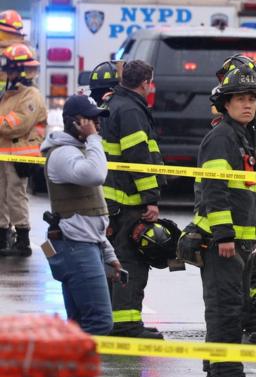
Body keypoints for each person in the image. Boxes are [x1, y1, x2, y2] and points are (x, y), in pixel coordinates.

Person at [193, 67, 256, 377]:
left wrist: (254, 236)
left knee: (232, 306)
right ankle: (226, 375)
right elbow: (215, 190)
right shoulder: (222, 138)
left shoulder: (242, 136)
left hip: (241, 242)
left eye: (251, 99)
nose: (247, 105)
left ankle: (218, 372)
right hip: (224, 243)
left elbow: (249, 192)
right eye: (240, 99)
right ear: (225, 103)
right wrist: (224, 235)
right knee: (227, 308)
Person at [39, 95, 121, 335]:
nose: (97, 125)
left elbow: (91, 213)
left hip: (85, 244)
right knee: (99, 322)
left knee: (78, 324)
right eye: (93, 120)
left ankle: (69, 371)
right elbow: (96, 175)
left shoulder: (79, 150)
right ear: (76, 122)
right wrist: (94, 139)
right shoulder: (63, 154)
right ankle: (82, 371)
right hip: (76, 247)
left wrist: (108, 253)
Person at [101, 60, 165, 338]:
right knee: (132, 261)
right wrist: (150, 198)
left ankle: (112, 321)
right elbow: (138, 158)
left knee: (115, 259)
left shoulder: (117, 103)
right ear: (145, 83)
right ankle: (126, 324)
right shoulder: (130, 110)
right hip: (128, 200)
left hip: (114, 199)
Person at [0, 43, 47, 256]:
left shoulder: (31, 95)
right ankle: (2, 236)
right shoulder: (10, 94)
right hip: (4, 152)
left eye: (9, 69)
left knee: (16, 195)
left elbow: (16, 125)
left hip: (18, 155)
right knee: (1, 195)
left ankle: (22, 240)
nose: (6, 73)